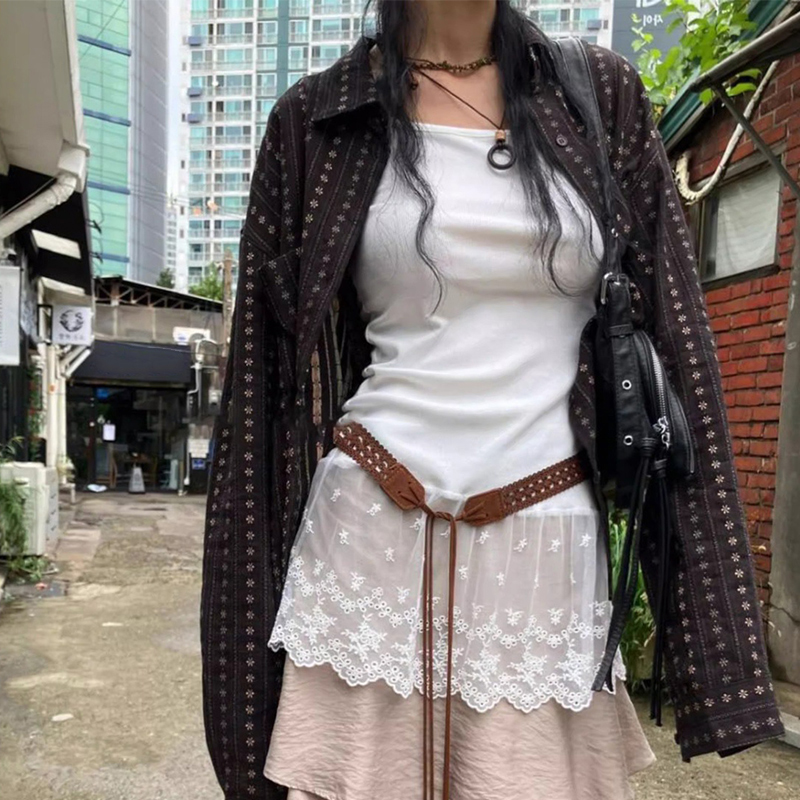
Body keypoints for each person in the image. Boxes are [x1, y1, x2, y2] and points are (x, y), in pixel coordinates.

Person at [200, 3, 784, 799]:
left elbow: (680, 347)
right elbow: (260, 398)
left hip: (545, 546)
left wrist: (717, 657)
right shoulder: (317, 118)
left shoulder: (598, 97)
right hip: (368, 537)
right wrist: (238, 691)